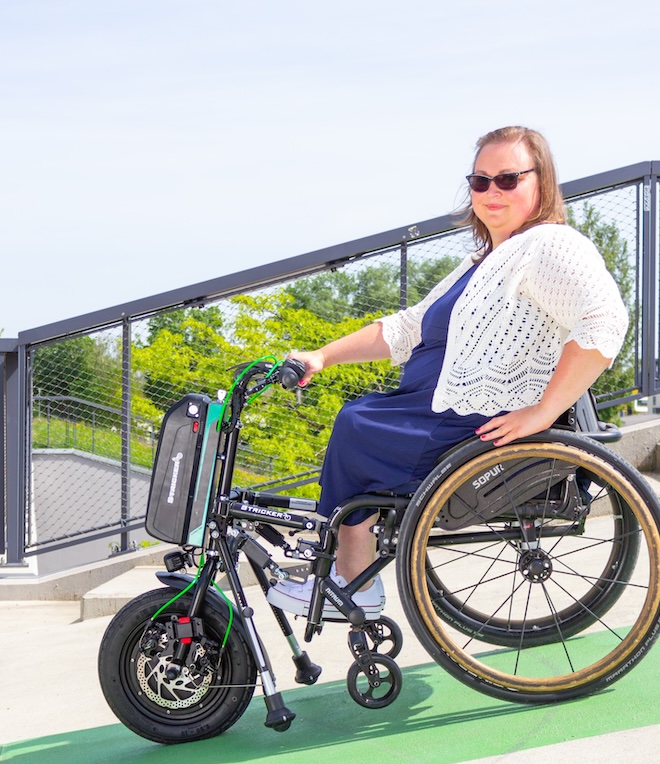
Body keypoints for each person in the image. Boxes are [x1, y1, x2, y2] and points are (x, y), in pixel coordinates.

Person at [267, 125, 629, 620]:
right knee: (363, 415)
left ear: (540, 183)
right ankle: (346, 573)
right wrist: (323, 356)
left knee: (356, 424)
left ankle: (351, 582)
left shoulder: (548, 245)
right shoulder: (481, 262)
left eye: (507, 179)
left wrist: (544, 410)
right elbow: (407, 328)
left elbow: (604, 319)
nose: (491, 192)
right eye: (480, 182)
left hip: (471, 419)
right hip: (438, 409)